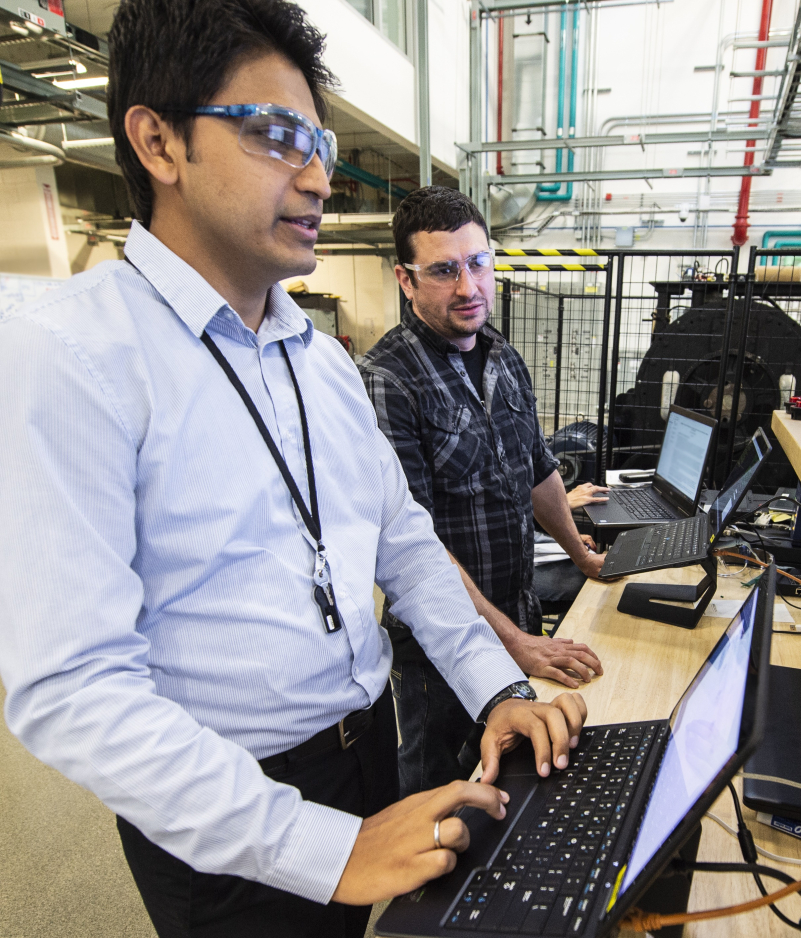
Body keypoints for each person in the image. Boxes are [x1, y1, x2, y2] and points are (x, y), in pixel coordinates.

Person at [0, 1, 586, 936]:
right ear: (158, 141)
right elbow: (72, 689)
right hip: (221, 809)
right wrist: (323, 848)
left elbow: (404, 545)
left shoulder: (320, 360)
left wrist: (498, 689)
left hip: (363, 758)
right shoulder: (70, 354)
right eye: (277, 137)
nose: (319, 177)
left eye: (317, 141)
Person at [358, 189, 610, 797]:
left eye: (478, 263)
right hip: (440, 647)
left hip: (518, 608)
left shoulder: (502, 355)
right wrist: (514, 643)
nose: (468, 286)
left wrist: (582, 557)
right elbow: (414, 546)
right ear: (406, 280)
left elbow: (539, 473)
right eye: (444, 270)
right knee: (441, 791)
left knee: (511, 781)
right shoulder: (388, 380)